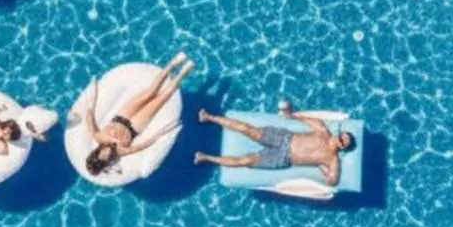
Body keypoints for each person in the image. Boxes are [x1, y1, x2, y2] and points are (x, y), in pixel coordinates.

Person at [83, 52, 195, 178]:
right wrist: (163, 132)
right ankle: (183, 73)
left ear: (96, 152)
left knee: (151, 92)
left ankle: (173, 63)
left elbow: (89, 116)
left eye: (102, 154)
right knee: (163, 98)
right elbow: (144, 145)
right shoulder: (120, 151)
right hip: (135, 126)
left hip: (122, 115)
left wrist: (92, 97)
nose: (106, 154)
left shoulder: (97, 136)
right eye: (106, 158)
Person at [195, 100, 356, 186]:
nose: (339, 138)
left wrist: (321, 167)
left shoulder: (332, 160)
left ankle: (205, 157)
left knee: (244, 161)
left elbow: (332, 181)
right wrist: (288, 113)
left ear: (342, 147)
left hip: (282, 158)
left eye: (343, 141)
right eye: (341, 134)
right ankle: (208, 117)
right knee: (247, 129)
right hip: (284, 137)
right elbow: (299, 117)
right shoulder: (322, 129)